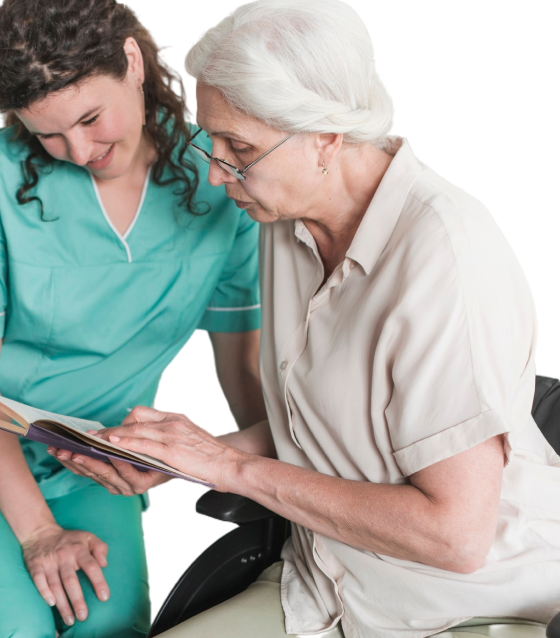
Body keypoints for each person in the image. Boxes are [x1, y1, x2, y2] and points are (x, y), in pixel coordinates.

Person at [49, 1, 560, 636]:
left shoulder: (447, 256)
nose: (215, 171)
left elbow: (455, 536)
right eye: (213, 139)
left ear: (327, 136)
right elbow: (330, 430)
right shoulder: (285, 215)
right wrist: (186, 454)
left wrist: (233, 469)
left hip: (464, 603)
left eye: (240, 146)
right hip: (323, 582)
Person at [0, 1, 267, 636]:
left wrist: (267, 476)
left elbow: (241, 359)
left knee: (113, 629)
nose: (77, 150)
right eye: (48, 134)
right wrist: (38, 533)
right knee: (12, 627)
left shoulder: (217, 176)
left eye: (89, 117)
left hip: (94, 463)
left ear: (132, 64)